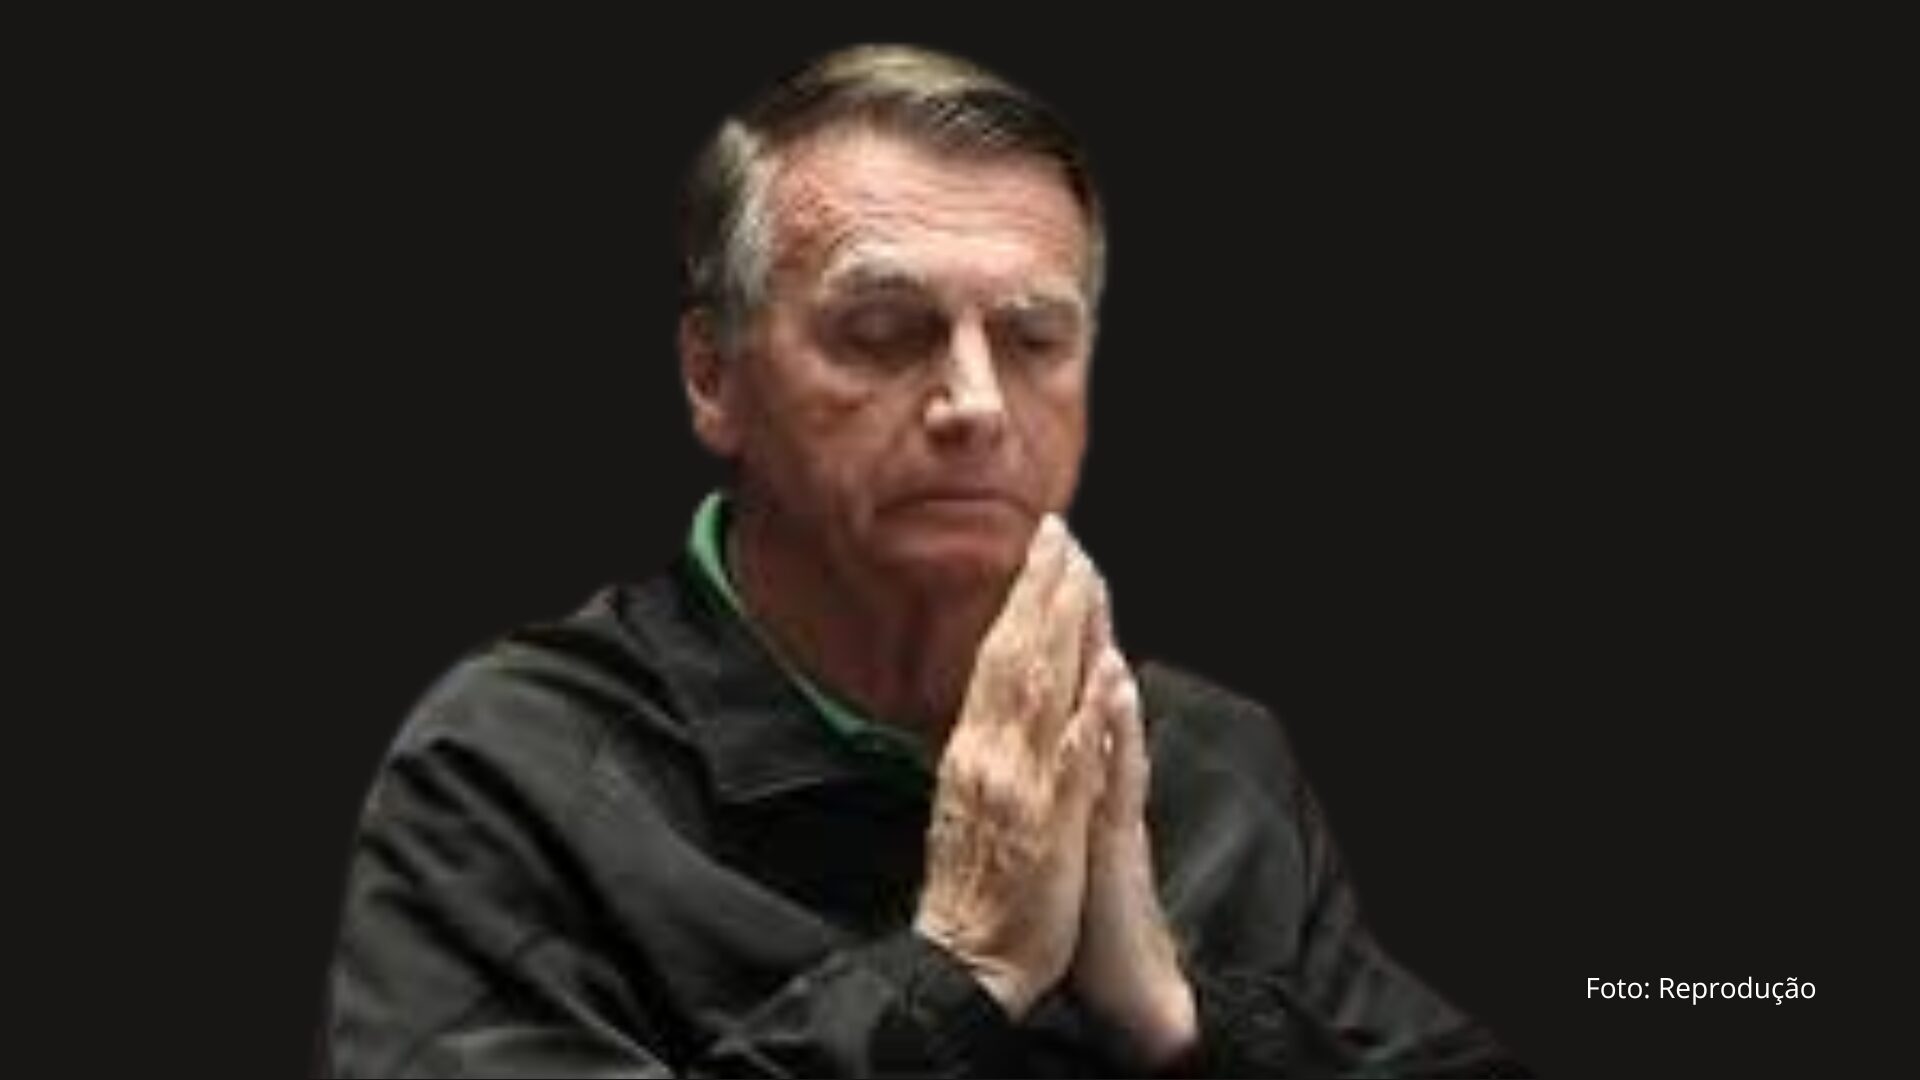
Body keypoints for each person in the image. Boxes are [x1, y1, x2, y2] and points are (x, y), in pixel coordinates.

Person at [317, 42, 1526, 1077]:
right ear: (713, 374)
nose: (977, 403)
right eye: (884, 332)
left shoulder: (1212, 764)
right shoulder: (509, 775)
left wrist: (1189, 1027)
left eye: (1035, 336)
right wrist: (959, 969)